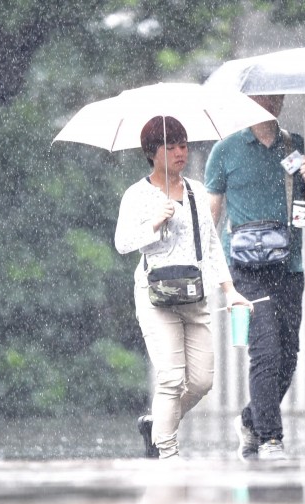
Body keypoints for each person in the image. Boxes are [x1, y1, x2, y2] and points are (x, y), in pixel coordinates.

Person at [115, 116, 250, 460]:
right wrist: (154, 222)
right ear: (151, 153)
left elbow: (211, 243)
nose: (180, 152)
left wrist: (229, 289)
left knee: (202, 381)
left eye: (183, 145)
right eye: (170, 146)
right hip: (155, 297)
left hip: (194, 295)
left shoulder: (196, 191)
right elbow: (122, 243)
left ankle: (155, 423)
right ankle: (166, 452)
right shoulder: (137, 195)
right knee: (171, 379)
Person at [204, 94, 305, 462]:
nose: (269, 103)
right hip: (245, 269)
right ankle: (271, 438)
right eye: (261, 98)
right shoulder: (225, 150)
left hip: (288, 267)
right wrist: (212, 270)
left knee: (288, 356)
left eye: (275, 97)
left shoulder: (298, 146)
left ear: (282, 101)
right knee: (265, 352)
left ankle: (249, 419)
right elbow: (212, 217)